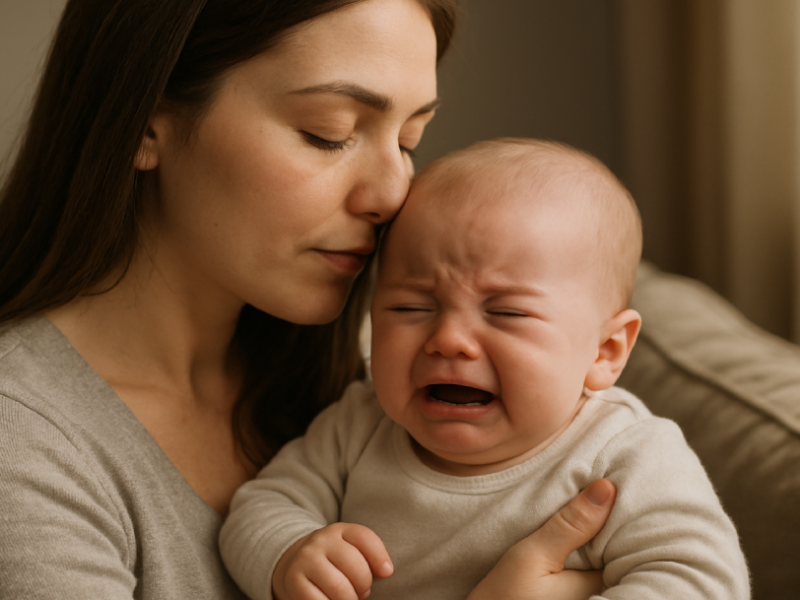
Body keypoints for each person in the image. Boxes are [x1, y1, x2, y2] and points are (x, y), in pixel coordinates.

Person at [0, 2, 618, 599]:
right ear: (142, 124)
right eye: (330, 134)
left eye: (408, 140)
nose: (391, 193)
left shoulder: (377, 384)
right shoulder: (26, 447)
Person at [219, 139, 750, 600]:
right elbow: (262, 505)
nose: (448, 339)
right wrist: (287, 552)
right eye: (411, 308)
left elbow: (702, 579)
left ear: (605, 351)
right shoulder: (360, 423)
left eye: (506, 313)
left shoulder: (624, 455)